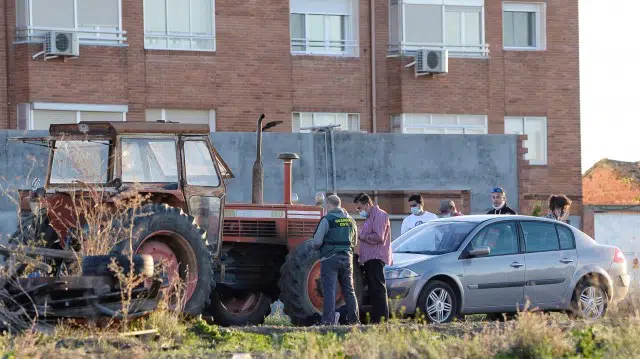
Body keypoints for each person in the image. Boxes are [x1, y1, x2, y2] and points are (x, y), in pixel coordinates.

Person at [312, 194, 360, 325]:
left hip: (330, 258)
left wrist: (315, 247)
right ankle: (354, 321)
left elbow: (317, 242)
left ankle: (328, 321)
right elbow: (354, 241)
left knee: (329, 290)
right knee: (349, 290)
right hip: (347, 258)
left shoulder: (327, 219)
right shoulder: (351, 220)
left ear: (329, 205)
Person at [354, 193, 392, 324]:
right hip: (369, 258)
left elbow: (379, 237)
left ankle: (382, 319)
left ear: (367, 204)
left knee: (378, 288)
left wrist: (361, 235)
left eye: (359, 208)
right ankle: (376, 318)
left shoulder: (379, 215)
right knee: (373, 289)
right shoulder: (370, 217)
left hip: (376, 257)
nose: (358, 211)